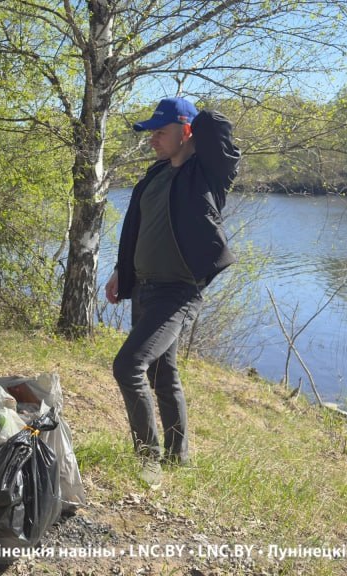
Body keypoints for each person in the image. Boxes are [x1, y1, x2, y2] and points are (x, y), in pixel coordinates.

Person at [104, 97, 239, 489]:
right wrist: (120, 271)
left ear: (187, 132)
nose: (153, 140)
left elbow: (219, 134)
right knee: (164, 373)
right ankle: (179, 459)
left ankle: (149, 464)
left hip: (179, 292)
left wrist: (197, 118)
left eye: (161, 132)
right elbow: (136, 228)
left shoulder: (208, 174)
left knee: (128, 365)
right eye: (151, 133)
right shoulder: (154, 175)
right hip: (146, 288)